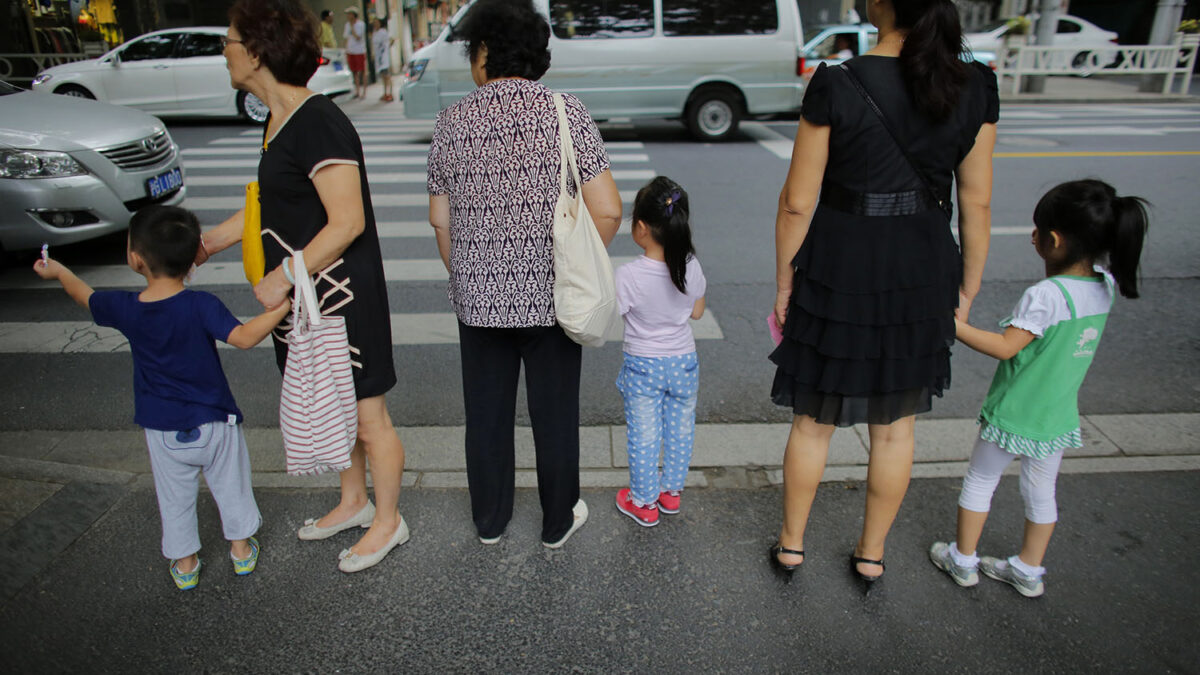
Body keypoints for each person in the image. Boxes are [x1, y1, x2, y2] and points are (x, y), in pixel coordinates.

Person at [768, 0, 999, 585]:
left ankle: (792, 545)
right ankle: (871, 555)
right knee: (896, 426)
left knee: (812, 421)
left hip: (840, 265)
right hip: (923, 268)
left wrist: (785, 283)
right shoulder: (974, 84)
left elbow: (798, 201)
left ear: (879, 6)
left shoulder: (839, 82)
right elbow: (976, 202)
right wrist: (967, 286)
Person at [200, 0, 409, 574]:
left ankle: (389, 521)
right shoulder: (278, 118)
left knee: (368, 416)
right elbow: (270, 205)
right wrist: (210, 243)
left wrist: (283, 275)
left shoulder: (318, 121)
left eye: (231, 40)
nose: (226, 50)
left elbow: (347, 222)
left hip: (341, 296)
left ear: (257, 52)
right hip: (309, 300)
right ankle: (353, 501)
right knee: (336, 409)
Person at [426, 0, 622, 549]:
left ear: (484, 51)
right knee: (554, 414)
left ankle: (490, 522)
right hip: (552, 299)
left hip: (478, 299)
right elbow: (607, 210)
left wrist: (471, 272)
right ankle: (558, 522)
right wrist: (569, 264)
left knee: (485, 417)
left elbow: (441, 220)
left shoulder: (450, 122)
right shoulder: (567, 112)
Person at [33, 205, 289, 590]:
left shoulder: (125, 309)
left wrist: (59, 272)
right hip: (214, 419)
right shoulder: (201, 305)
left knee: (174, 496)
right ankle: (240, 550)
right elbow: (245, 337)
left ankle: (185, 563)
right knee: (231, 485)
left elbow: (84, 295)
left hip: (161, 426)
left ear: (136, 259)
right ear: (192, 261)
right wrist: (282, 307)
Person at [929, 180, 1149, 598]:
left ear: (1053, 240)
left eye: (1038, 228)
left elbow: (1006, 347)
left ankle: (963, 560)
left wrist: (951, 325)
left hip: (1014, 411)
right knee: (1041, 491)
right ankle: (1028, 569)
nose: (1033, 234)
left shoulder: (1046, 294)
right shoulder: (1102, 286)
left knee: (980, 480)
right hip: (1057, 415)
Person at [613, 177, 706, 527]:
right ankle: (670, 493)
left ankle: (643, 502)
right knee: (681, 427)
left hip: (644, 365)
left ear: (640, 227)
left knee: (644, 433)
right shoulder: (691, 265)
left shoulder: (629, 275)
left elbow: (614, 313)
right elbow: (696, 312)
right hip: (684, 361)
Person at [343, 6, 367, 98]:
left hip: (359, 50)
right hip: (351, 50)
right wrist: (345, 49)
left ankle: (364, 91)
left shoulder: (361, 24)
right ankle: (357, 91)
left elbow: (357, 37)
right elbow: (345, 37)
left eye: (349, 14)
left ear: (353, 15)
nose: (348, 16)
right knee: (354, 71)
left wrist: (352, 27)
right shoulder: (347, 25)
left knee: (362, 71)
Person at [371, 16, 394, 102]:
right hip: (378, 58)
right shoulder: (374, 33)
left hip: (384, 57)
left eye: (377, 22)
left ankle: (390, 93)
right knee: (383, 77)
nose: (375, 24)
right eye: (374, 23)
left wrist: (386, 49)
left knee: (387, 76)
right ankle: (385, 92)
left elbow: (391, 40)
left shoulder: (383, 32)